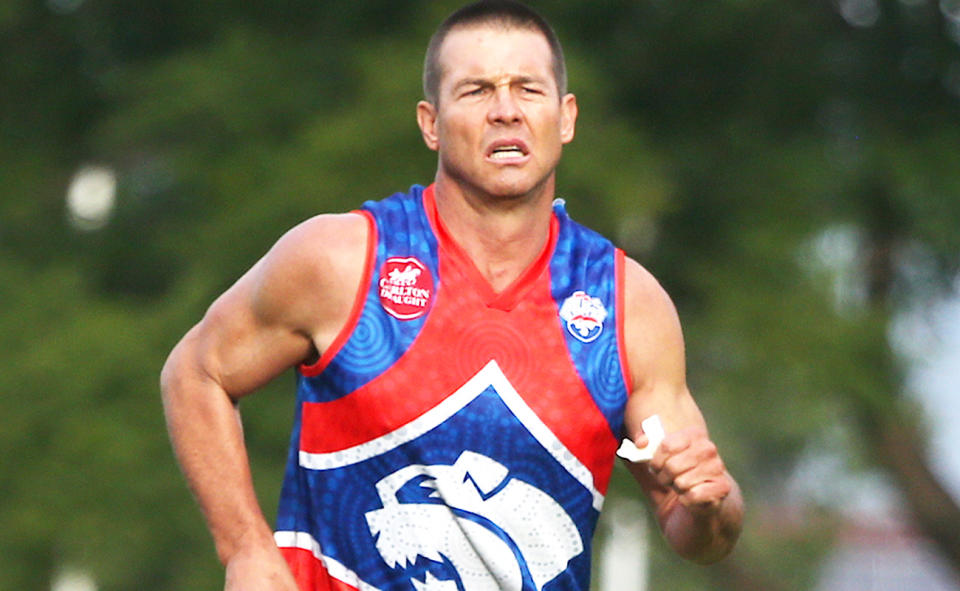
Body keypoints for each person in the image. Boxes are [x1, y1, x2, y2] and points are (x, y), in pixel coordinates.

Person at [160, 1, 744, 589]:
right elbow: (196, 373)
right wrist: (245, 550)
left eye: (528, 89)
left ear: (565, 118)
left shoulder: (626, 304)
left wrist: (708, 507)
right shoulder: (342, 260)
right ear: (430, 122)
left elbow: (693, 526)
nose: (506, 111)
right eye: (476, 91)